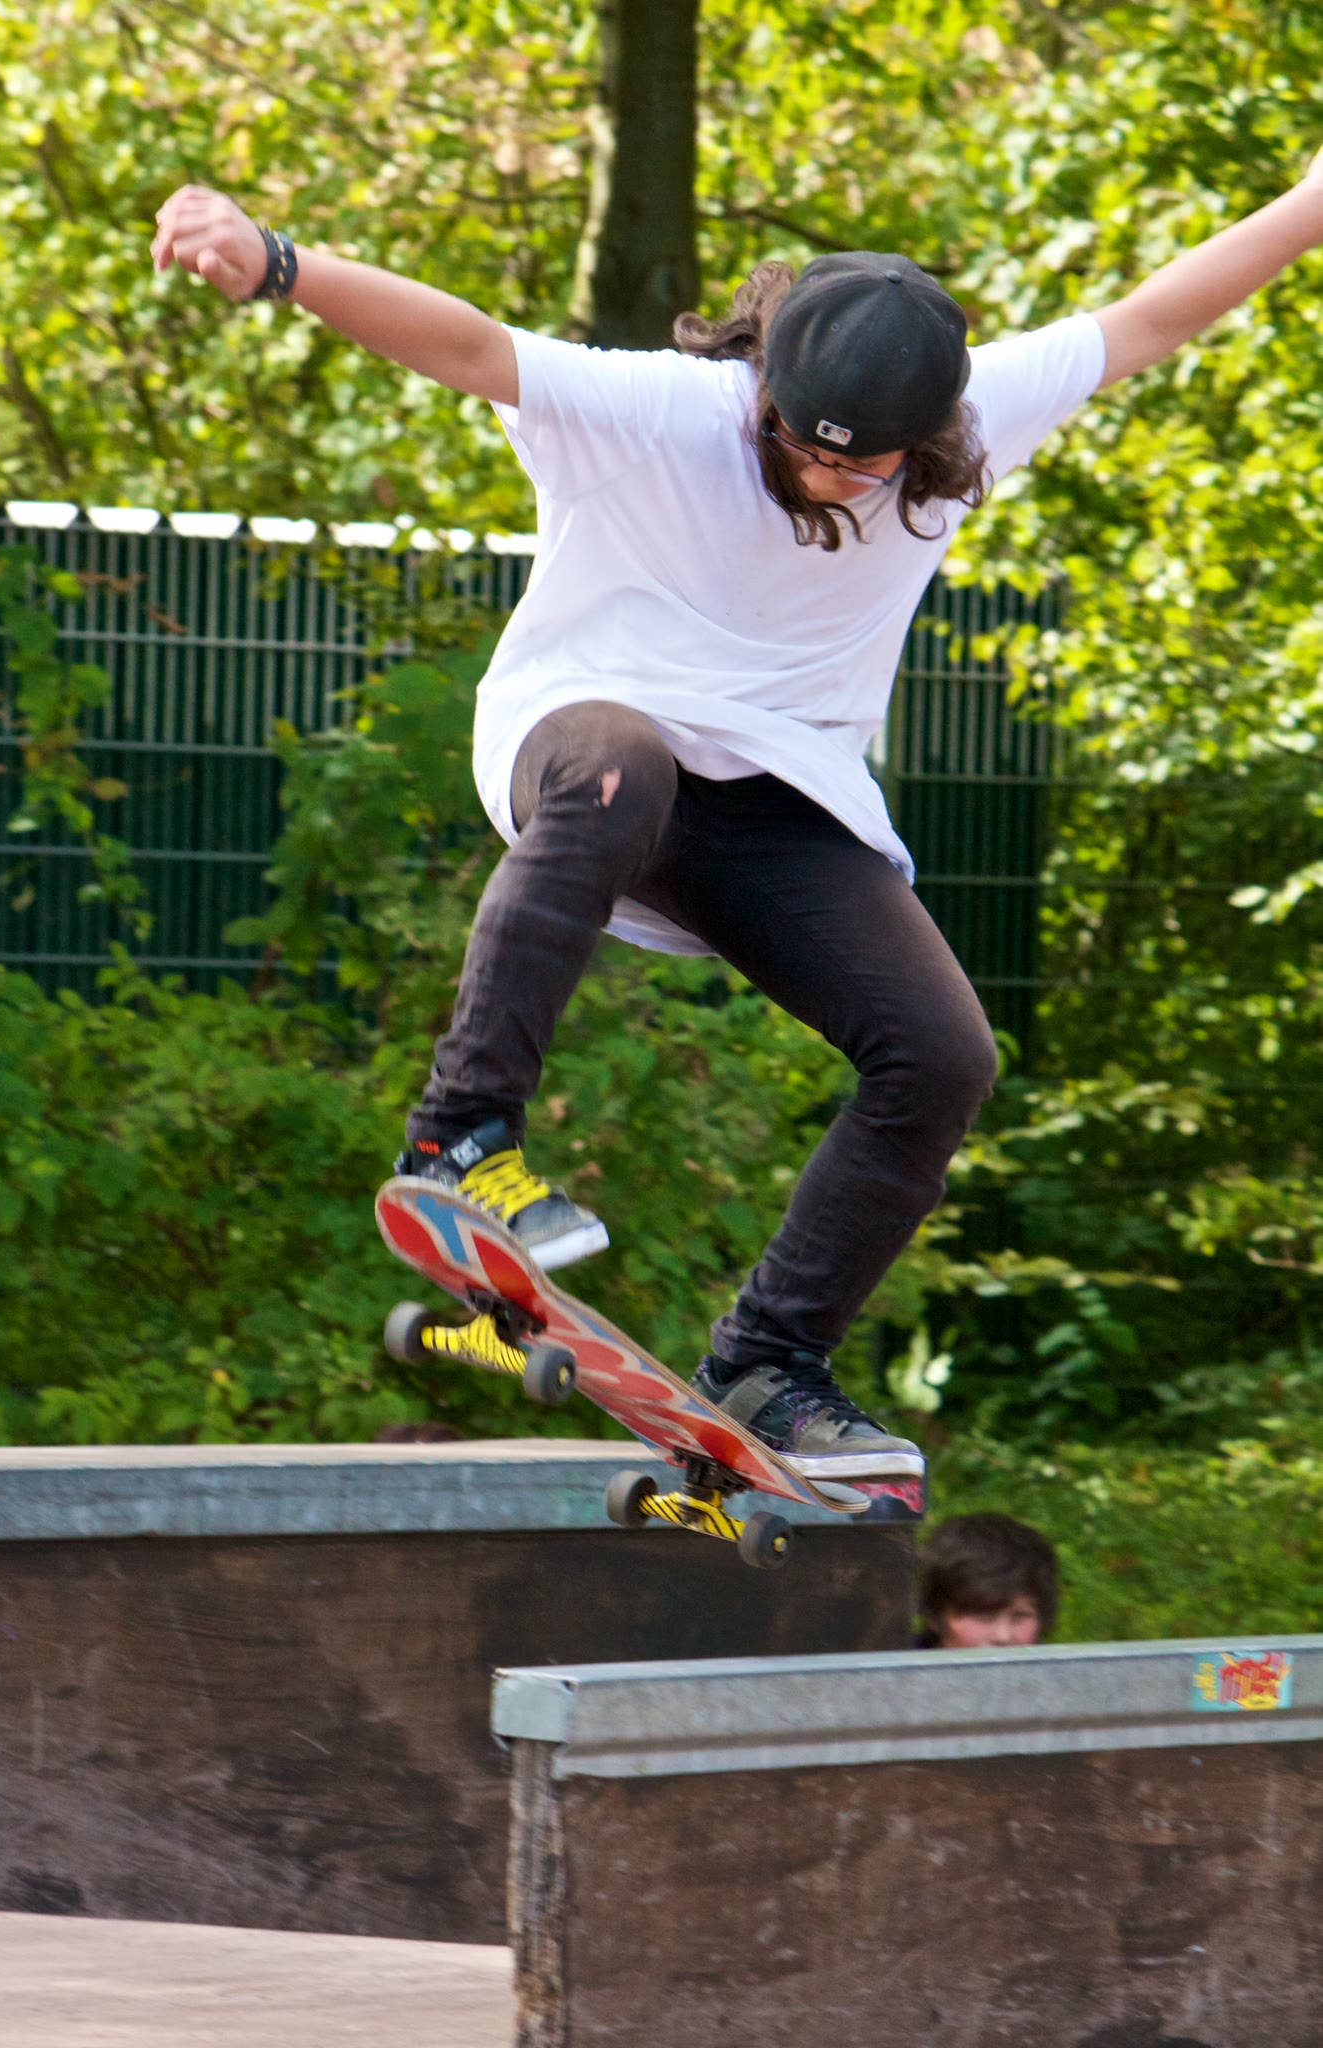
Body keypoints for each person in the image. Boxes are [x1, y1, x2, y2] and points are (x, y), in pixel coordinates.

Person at [152, 150, 1323, 1483]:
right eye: (800, 445)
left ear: (929, 435)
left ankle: (770, 1361)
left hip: (778, 799)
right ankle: (460, 1137)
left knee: (942, 1056)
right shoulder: (671, 410)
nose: (826, 477)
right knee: (625, 766)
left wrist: (1307, 206)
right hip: (583, 739)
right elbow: (473, 345)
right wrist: (279, 264)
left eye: (863, 465)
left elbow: (1150, 319)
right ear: (768, 391)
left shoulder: (979, 412)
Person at [915, 1512, 1059, 1649]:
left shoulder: (1059, 1664)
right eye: (983, 1616)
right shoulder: (903, 1664)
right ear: (934, 1618)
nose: (1003, 1637)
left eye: (1020, 1616)